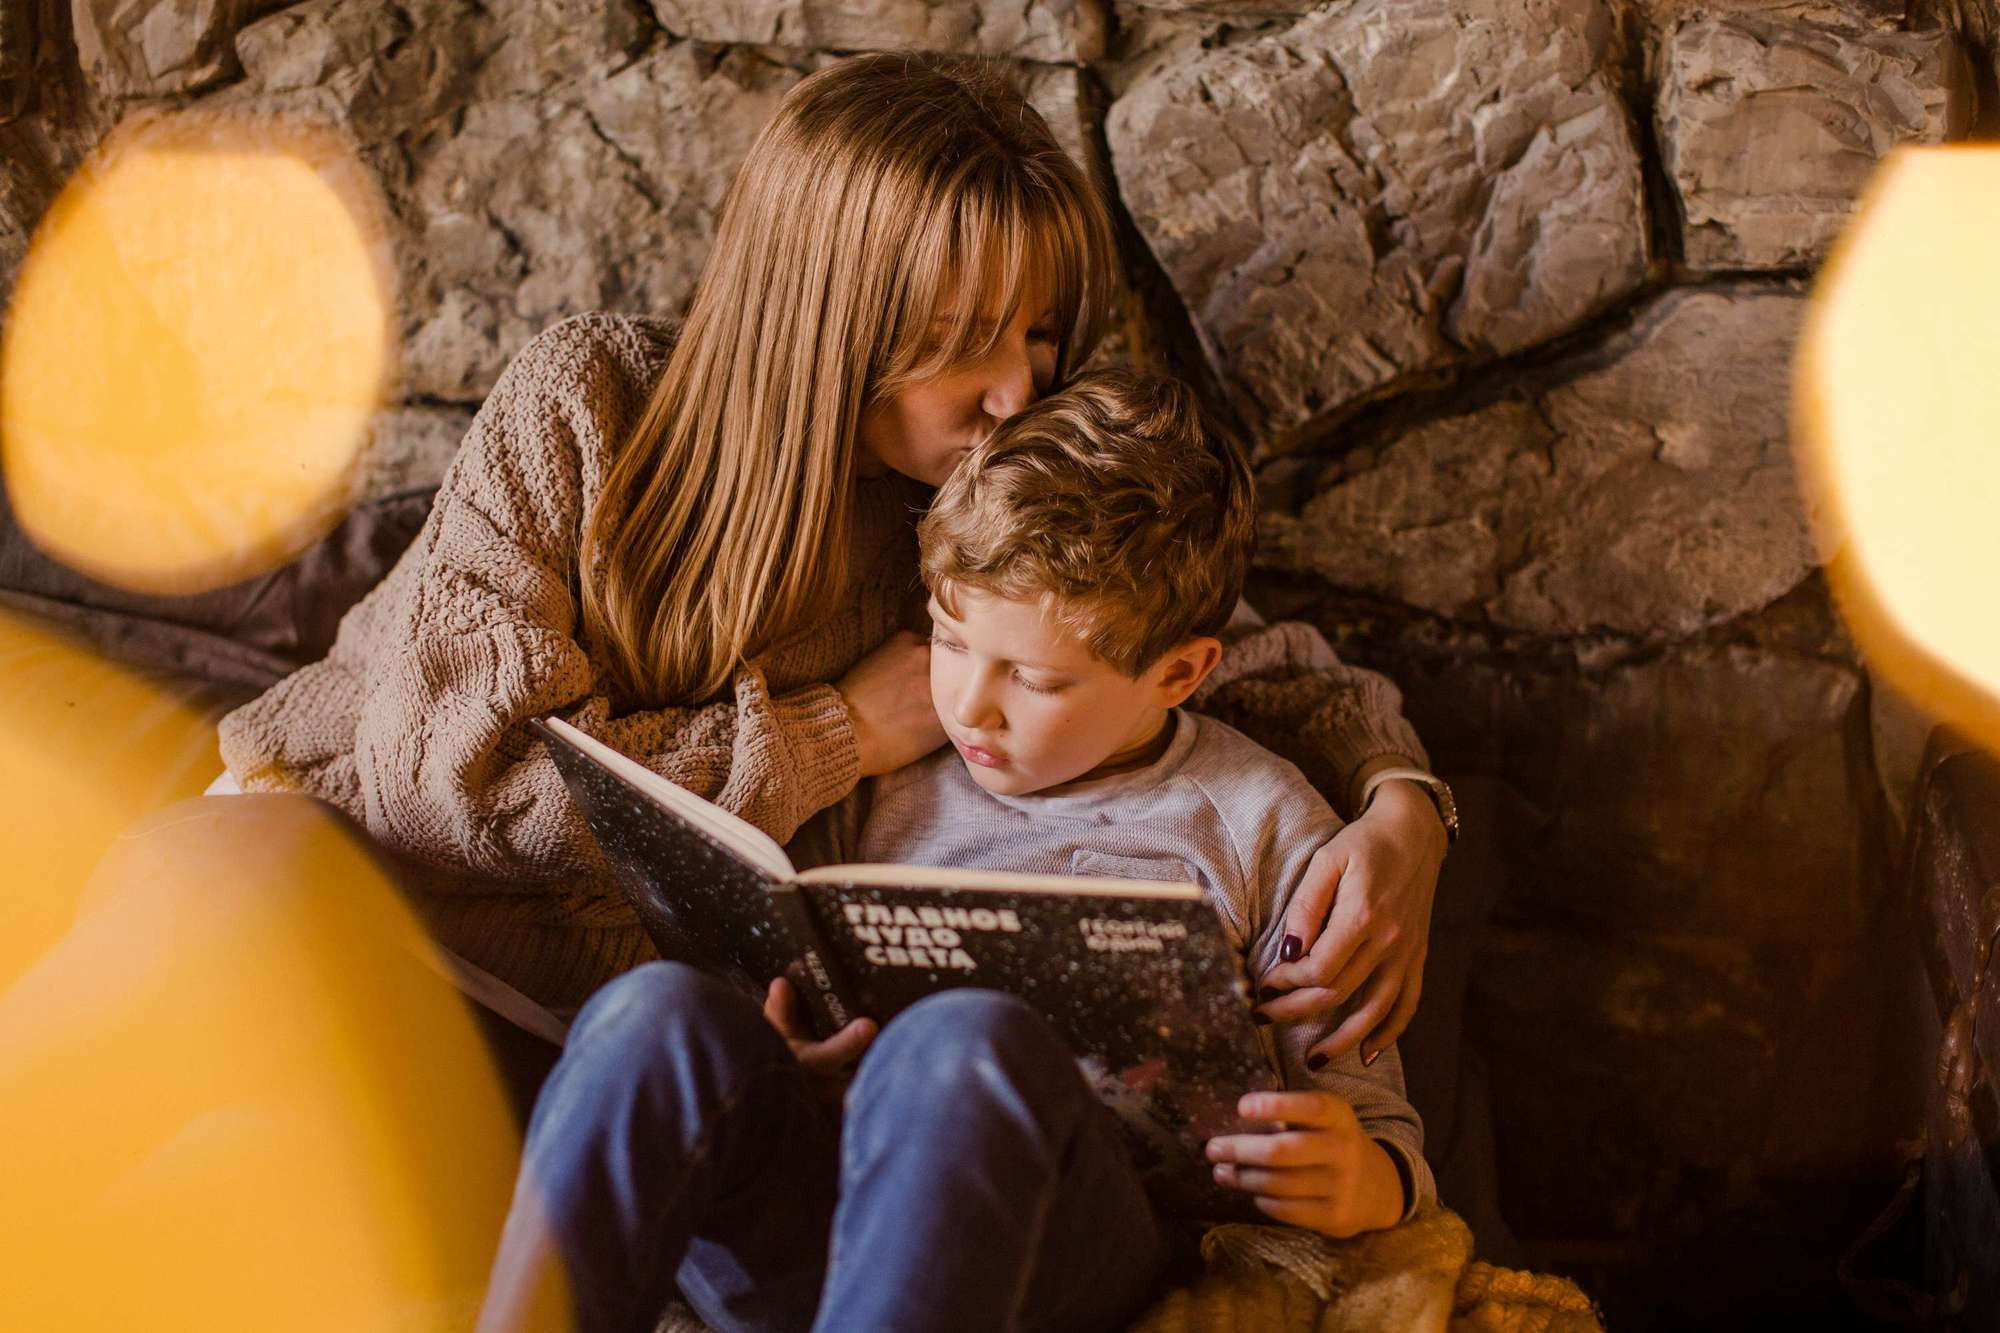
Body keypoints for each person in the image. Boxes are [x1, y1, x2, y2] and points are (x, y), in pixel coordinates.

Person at [214, 55, 1447, 1063]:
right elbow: (459, 795)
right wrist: (835, 737)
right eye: (968, 339)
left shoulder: (982, 491)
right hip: (352, 868)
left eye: (1041, 331)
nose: (1018, 388)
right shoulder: (584, 399)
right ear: (833, 316)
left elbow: (1224, 646)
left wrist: (1405, 815)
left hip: (628, 1022)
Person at [477, 368, 1434, 1333]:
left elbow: (1385, 1132)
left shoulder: (1262, 823)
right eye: (947, 636)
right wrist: (787, 1047)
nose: (969, 704)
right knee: (654, 1012)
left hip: (1069, 1258)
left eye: (1032, 676)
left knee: (963, 1046)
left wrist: (1368, 1178)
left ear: (1177, 671)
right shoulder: (890, 782)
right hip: (827, 1228)